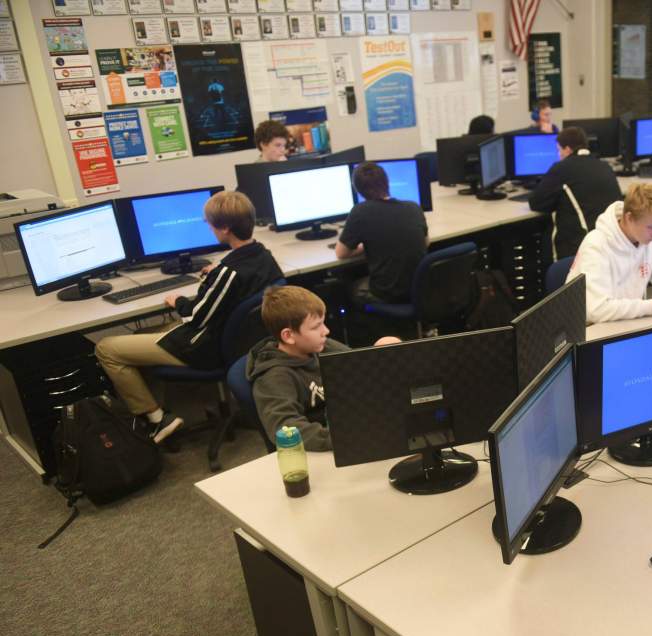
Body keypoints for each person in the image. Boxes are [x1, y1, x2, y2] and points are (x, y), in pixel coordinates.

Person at [95, 191, 284, 443]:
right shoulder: (264, 256)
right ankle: (160, 412)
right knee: (140, 335)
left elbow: (197, 316)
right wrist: (214, 276)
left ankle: (157, 419)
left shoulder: (228, 273)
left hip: (204, 347)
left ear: (224, 228)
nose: (208, 227)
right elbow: (230, 291)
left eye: (209, 222)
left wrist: (179, 302)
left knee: (106, 349)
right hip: (243, 345)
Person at [247, 285, 399, 451]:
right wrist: (348, 437)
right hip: (322, 448)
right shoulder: (274, 378)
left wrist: (380, 357)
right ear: (289, 336)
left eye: (323, 323)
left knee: (387, 342)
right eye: (315, 327)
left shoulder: (321, 347)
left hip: (350, 427)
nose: (325, 331)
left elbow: (357, 369)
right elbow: (285, 428)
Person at [568, 182, 652, 323]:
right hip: (587, 329)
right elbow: (597, 311)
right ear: (629, 218)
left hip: (625, 321)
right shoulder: (596, 245)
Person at [336, 162, 429, 305]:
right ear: (387, 182)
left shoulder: (360, 212)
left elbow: (341, 253)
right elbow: (426, 242)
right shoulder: (414, 207)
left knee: (349, 287)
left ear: (357, 189)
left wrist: (366, 248)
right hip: (420, 287)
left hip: (388, 292)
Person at [528, 127, 623, 260]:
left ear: (567, 149)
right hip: (614, 246)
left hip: (581, 250)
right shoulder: (604, 166)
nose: (559, 154)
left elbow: (536, 202)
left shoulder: (561, 168)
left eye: (559, 150)